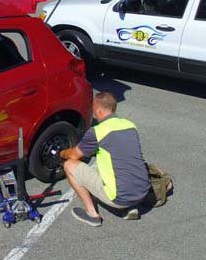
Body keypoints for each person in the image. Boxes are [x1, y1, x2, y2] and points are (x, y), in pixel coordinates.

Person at [59, 91, 150, 227]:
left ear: (99, 110)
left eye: (94, 110)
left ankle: (92, 214)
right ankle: (131, 206)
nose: (94, 114)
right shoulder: (130, 125)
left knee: (69, 165)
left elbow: (74, 155)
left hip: (120, 198)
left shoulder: (97, 131)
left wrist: (61, 153)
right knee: (104, 162)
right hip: (142, 192)